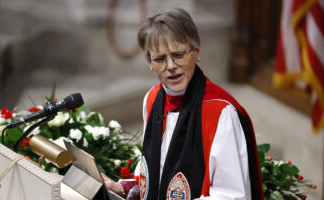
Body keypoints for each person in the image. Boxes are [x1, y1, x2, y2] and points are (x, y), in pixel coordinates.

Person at [103, 8, 263, 200]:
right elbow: (157, 169)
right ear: (149, 61)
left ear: (196, 51)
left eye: (178, 55)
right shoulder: (152, 99)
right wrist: (124, 188)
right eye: (160, 58)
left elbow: (232, 196)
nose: (170, 66)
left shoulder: (220, 113)